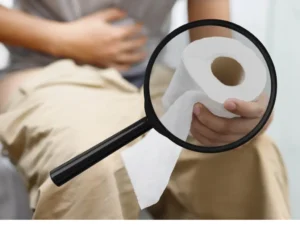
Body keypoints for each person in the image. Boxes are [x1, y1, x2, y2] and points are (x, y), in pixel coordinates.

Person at [0, 0, 290, 219]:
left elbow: (214, 51)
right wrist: (62, 38)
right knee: (91, 169)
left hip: (154, 79)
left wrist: (237, 106)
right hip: (45, 67)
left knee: (252, 157)